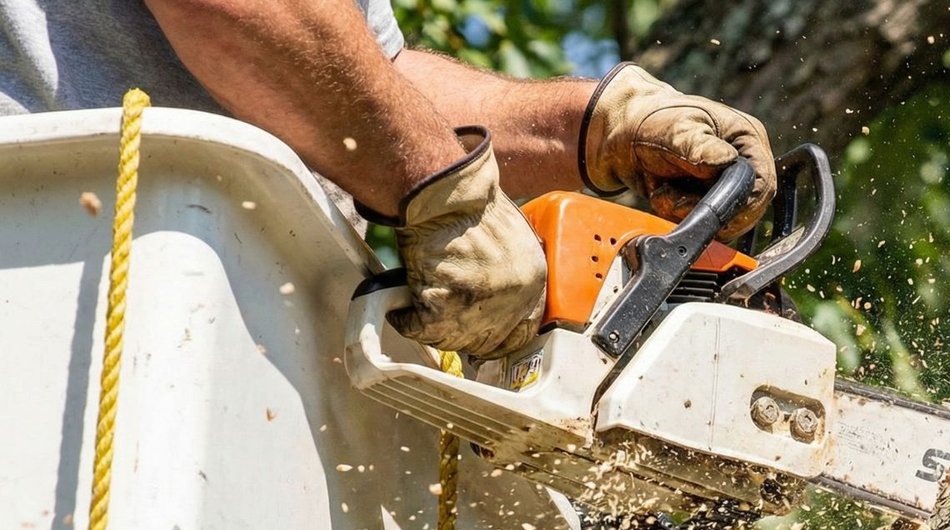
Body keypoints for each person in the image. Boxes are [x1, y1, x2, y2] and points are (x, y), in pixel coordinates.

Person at [0, 0, 776, 359]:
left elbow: (362, 82)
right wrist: (442, 188)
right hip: (60, 265)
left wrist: (597, 126)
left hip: (203, 310)